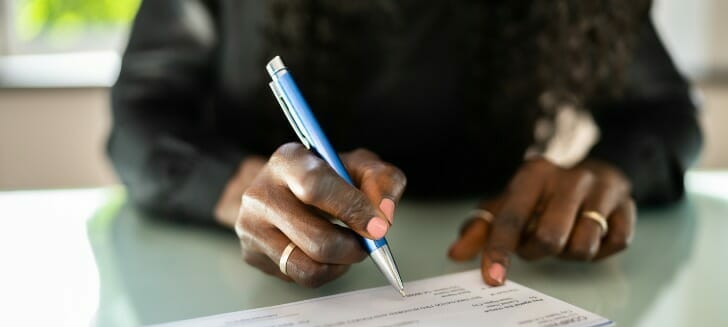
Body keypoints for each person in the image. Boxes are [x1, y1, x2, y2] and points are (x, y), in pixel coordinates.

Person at [108, 1, 702, 289]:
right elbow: (139, 115)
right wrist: (244, 190)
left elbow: (668, 111)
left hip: (486, 262)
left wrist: (610, 169)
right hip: (245, 290)